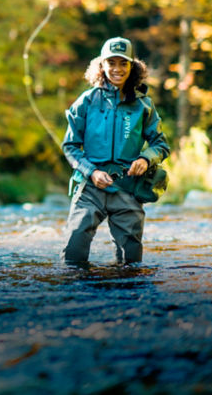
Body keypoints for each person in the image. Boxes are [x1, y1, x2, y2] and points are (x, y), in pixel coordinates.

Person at [61, 37, 170, 264]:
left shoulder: (143, 105)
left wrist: (146, 159)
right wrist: (91, 172)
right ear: (102, 65)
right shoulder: (86, 102)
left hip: (128, 188)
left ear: (133, 67)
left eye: (124, 63)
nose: (117, 69)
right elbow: (70, 147)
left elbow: (161, 144)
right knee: (73, 254)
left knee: (131, 264)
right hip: (90, 187)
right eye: (111, 63)